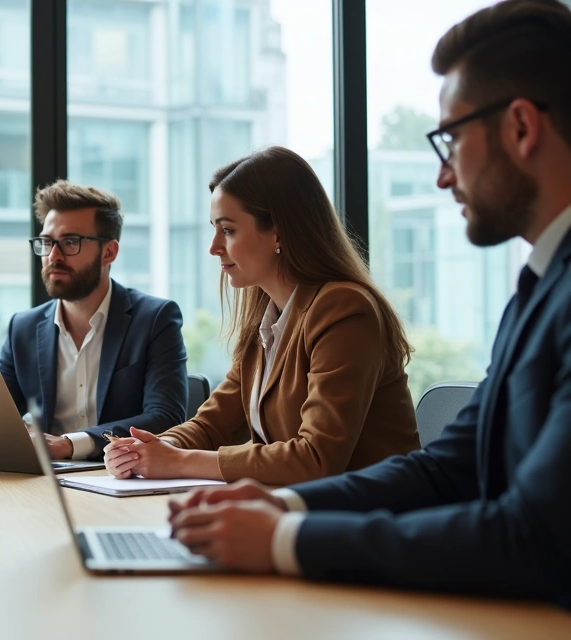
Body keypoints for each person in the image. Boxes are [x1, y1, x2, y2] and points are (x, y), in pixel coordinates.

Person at [167, 0, 571, 608]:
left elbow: (534, 535)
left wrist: (286, 538)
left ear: (520, 127)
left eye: (450, 139)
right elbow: (444, 470)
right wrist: (280, 504)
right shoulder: (538, 291)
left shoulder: (347, 307)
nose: (442, 175)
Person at [103, 147, 420, 485]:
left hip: (371, 521)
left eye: (227, 230)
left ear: (278, 232)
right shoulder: (266, 321)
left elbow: (315, 459)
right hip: (302, 513)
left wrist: (178, 461)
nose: (213, 246)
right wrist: (152, 448)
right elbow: (211, 425)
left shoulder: (344, 309)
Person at [0, 180, 188, 461]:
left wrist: (70, 444)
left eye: (70, 242)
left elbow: (165, 417)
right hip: (47, 483)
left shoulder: (155, 319)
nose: (53, 256)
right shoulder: (22, 328)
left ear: (108, 252)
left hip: (122, 479)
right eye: (47, 243)